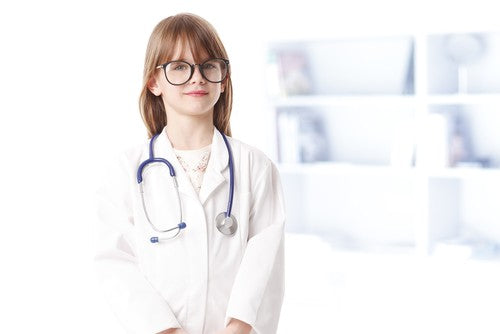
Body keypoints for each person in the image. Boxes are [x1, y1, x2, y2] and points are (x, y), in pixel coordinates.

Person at [94, 13, 285, 334]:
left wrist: (238, 328)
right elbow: (115, 264)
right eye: (180, 67)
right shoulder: (126, 170)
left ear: (223, 79)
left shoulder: (255, 166)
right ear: (154, 82)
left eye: (209, 66)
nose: (197, 78)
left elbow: (265, 262)